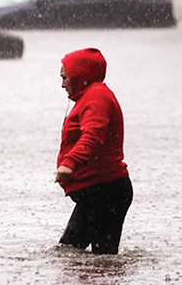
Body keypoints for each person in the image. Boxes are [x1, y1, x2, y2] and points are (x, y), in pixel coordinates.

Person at [55, 48, 133, 255]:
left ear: (80, 74)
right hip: (97, 191)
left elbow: (93, 135)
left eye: (65, 77)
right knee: (69, 253)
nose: (62, 84)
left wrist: (69, 163)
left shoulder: (97, 97)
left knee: (103, 260)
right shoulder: (91, 96)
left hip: (106, 190)